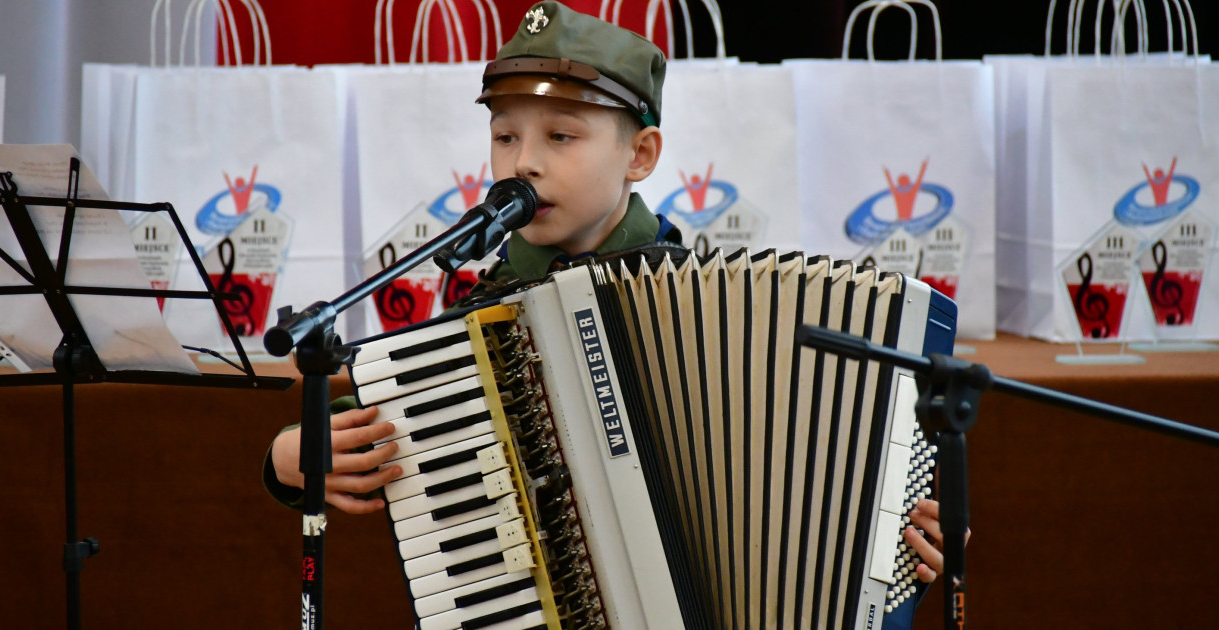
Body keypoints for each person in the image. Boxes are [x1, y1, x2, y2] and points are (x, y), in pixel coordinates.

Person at [262, 1, 964, 624]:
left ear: (641, 154)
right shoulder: (480, 316)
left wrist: (908, 547)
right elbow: (380, 426)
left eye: (560, 137)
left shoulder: (718, 305)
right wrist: (291, 459)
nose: (523, 164)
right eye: (506, 137)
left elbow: (849, 518)